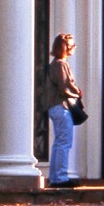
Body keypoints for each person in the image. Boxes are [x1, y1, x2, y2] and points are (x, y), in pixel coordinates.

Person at [40, 33, 82, 188]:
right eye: (71, 45)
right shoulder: (60, 64)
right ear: (64, 47)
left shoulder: (56, 64)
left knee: (60, 142)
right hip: (61, 106)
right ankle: (60, 177)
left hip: (56, 107)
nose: (73, 47)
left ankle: (56, 176)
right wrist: (77, 92)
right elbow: (64, 86)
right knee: (64, 142)